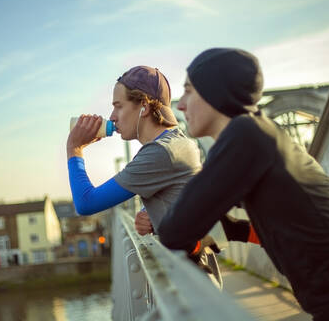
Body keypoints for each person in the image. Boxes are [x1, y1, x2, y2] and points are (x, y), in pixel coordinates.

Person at [157, 48, 329, 321]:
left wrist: (189, 229)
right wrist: (230, 229)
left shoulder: (244, 135)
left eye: (188, 91)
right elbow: (282, 215)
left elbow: (174, 231)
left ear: (214, 92)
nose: (181, 105)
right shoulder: (259, 132)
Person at [66, 65, 222, 286]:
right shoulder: (178, 141)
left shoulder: (159, 152)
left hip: (190, 288)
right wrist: (153, 212)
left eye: (118, 107)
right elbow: (181, 190)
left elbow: (86, 203)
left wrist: (74, 148)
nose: (112, 116)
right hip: (197, 281)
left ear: (144, 106)